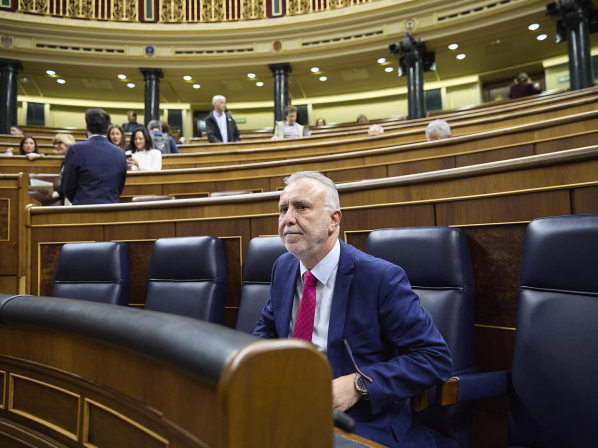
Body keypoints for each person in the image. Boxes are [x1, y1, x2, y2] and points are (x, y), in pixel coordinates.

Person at [253, 171, 453, 448]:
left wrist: (360, 384)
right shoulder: (283, 268)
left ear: (334, 220)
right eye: (283, 209)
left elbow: (434, 358)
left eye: (302, 207)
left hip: (359, 420)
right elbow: (265, 334)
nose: (288, 218)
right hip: (289, 407)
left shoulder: (379, 278)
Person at [61, 108, 127, 205]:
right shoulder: (121, 153)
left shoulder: (75, 150)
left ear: (86, 127)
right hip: (111, 208)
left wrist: (80, 201)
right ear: (108, 128)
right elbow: (120, 186)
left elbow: (67, 185)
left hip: (83, 208)